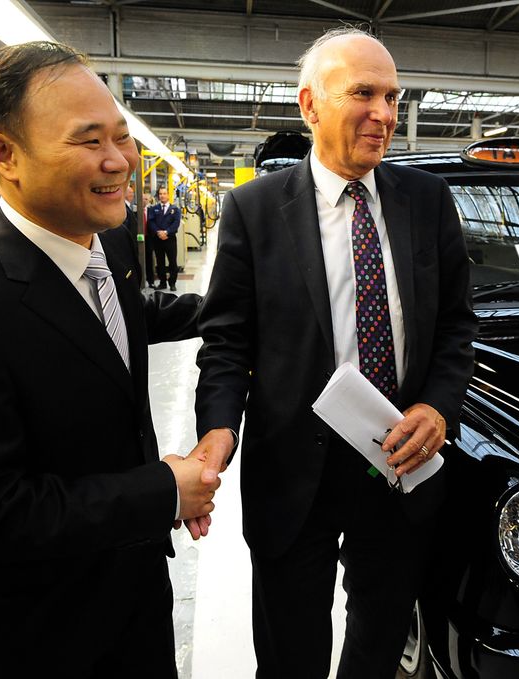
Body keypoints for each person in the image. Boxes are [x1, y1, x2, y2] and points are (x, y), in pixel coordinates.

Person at [0, 41, 219, 678]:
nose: (118, 160)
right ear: (3, 154)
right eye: (87, 140)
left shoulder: (105, 237)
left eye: (121, 137)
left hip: (134, 594)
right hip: (43, 634)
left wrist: (229, 309)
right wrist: (161, 492)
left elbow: (124, 316)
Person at [190, 27, 477, 679]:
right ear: (310, 104)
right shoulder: (255, 210)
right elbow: (227, 339)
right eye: (364, 94)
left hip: (399, 462)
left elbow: (458, 323)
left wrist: (437, 403)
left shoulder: (426, 202)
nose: (384, 114)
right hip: (294, 470)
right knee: (290, 651)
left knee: (379, 645)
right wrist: (216, 431)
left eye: (394, 98)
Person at [146, 186, 181, 290]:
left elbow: (176, 223)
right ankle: (162, 282)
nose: (162, 196)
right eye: (160, 194)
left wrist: (166, 232)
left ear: (168, 195)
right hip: (157, 239)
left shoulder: (175, 209)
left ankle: (172, 283)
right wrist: (158, 232)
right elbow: (150, 222)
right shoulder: (153, 209)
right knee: (160, 262)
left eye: (164, 193)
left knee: (172, 262)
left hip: (170, 239)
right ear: (158, 196)